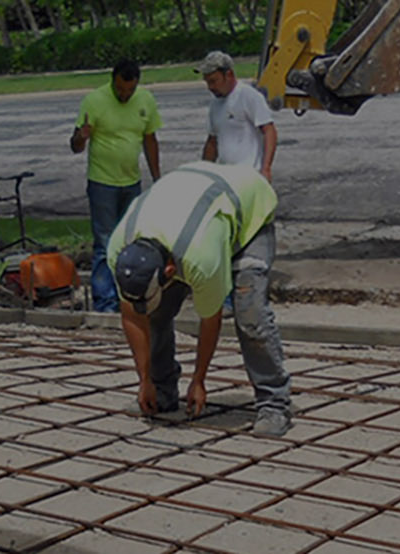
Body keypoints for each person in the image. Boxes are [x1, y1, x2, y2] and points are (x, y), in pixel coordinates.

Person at [109, 161, 291, 436]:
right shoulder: (120, 252)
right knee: (156, 310)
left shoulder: (200, 258)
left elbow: (210, 318)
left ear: (169, 271)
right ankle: (162, 391)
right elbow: (132, 316)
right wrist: (144, 380)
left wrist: (199, 380)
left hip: (248, 208)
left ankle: (274, 405)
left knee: (249, 311)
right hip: (194, 203)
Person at [72, 59, 163, 313]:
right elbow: (76, 145)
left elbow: (150, 140)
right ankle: (106, 303)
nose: (124, 95)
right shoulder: (95, 100)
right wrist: (82, 136)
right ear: (113, 80)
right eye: (120, 89)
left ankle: (127, 296)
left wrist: (157, 178)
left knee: (128, 242)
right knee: (104, 242)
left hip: (131, 181)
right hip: (103, 183)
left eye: (129, 90)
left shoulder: (145, 100)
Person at [196, 51, 277, 181]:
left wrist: (266, 168)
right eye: (207, 82)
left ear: (229, 75)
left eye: (213, 81)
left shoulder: (249, 96)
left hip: (250, 175)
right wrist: (204, 172)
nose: (210, 87)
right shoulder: (215, 103)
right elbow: (212, 141)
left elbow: (269, 130)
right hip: (225, 177)